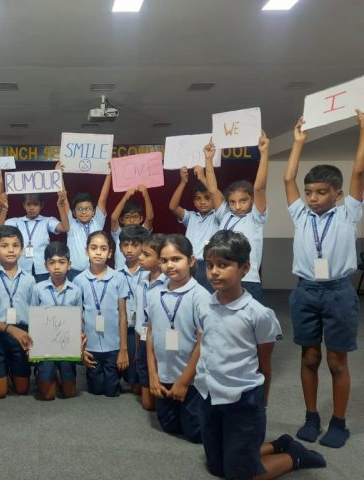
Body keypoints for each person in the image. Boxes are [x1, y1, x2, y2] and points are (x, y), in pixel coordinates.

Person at [197, 230, 325, 479]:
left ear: (244, 268)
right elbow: (206, 346)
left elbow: (264, 364)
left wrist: (261, 403)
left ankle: (294, 456)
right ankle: (277, 445)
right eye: (210, 265)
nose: (214, 272)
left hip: (242, 399)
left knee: (240, 475)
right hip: (209, 394)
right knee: (217, 467)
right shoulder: (204, 304)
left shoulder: (258, 314)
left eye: (223, 265)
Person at [283, 112, 364, 448]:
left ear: (338, 194)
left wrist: (363, 131)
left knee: (336, 360)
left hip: (338, 292)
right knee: (310, 357)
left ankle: (339, 422)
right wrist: (298, 143)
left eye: (320, 192)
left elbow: (358, 171)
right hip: (305, 291)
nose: (313, 197)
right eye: (309, 192)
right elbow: (288, 179)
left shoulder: (348, 213)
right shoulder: (300, 215)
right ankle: (311, 416)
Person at [146, 234, 208, 443]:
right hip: (164, 377)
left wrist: (183, 382)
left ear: (191, 261)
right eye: (164, 260)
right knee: (169, 426)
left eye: (176, 259)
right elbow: (150, 333)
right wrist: (153, 376)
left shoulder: (200, 296)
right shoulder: (154, 294)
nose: (169, 265)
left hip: (191, 380)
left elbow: (203, 342)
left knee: (196, 434)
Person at [199, 133, 269, 301]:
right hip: (223, 277)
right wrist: (208, 159)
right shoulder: (225, 214)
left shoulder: (256, 218)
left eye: (243, 201)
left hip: (248, 279)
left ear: (252, 200)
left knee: (249, 317)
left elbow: (259, 188)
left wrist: (264, 153)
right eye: (232, 202)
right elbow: (213, 189)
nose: (237, 206)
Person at [0, 225, 37, 398]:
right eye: (4, 246)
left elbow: (35, 314)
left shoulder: (29, 279)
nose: (11, 250)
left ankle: (11, 369)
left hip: (22, 335)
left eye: (15, 245)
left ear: (22, 249)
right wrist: (9, 330)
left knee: (22, 389)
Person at [75, 231, 129, 397]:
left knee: (112, 391)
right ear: (86, 251)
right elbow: (78, 317)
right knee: (96, 390)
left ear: (110, 253)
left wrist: (123, 349)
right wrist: (81, 349)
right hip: (90, 345)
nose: (98, 252)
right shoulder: (79, 280)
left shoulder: (119, 278)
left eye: (103, 249)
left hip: (113, 344)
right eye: (94, 248)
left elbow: (123, 315)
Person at [33, 242, 83, 400]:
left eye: (61, 262)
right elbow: (34, 321)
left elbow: (79, 319)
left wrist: (79, 340)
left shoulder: (76, 290)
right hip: (45, 345)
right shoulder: (38, 289)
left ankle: (60, 374)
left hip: (67, 344)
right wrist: (35, 349)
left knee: (69, 393)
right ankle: (42, 372)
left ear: (69, 264)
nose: (56, 267)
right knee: (48, 396)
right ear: (45, 265)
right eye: (52, 262)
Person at [168, 166, 218, 292]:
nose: (202, 202)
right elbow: (173, 207)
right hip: (189, 264)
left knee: (208, 297)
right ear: (194, 202)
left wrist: (203, 178)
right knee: (186, 296)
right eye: (198, 198)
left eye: (207, 197)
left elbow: (218, 196)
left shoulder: (218, 216)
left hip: (208, 264)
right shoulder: (191, 217)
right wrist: (183, 182)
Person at [5, 189, 69, 283]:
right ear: (24, 205)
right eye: (28, 204)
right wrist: (4, 208)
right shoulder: (16, 221)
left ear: (41, 205)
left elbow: (65, 228)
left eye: (35, 204)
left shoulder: (47, 221)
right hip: (22, 267)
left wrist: (61, 205)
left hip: (42, 268)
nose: (31, 208)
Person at [58, 171, 111, 280]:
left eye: (87, 208)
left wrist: (109, 173)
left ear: (94, 211)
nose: (83, 212)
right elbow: (64, 200)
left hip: (96, 271)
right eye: (79, 209)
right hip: (74, 272)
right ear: (74, 212)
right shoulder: (71, 223)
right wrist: (59, 174)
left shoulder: (98, 221)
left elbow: (103, 199)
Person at [135, 233, 166, 411]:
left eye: (146, 255)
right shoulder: (142, 280)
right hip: (143, 334)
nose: (140, 257)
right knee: (143, 366)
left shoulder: (168, 284)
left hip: (161, 336)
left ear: (160, 260)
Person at [116, 224, 149, 393]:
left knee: (140, 381)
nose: (129, 250)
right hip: (125, 326)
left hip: (144, 328)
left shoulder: (149, 272)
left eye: (135, 245)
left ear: (143, 246)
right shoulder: (116, 274)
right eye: (125, 245)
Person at [110, 185, 154, 270]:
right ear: (121, 220)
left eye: (135, 217)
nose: (132, 220)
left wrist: (145, 195)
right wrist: (126, 196)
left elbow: (150, 218)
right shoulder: (118, 234)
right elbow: (113, 218)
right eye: (128, 217)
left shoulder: (143, 232)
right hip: (120, 274)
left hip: (141, 273)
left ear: (141, 219)